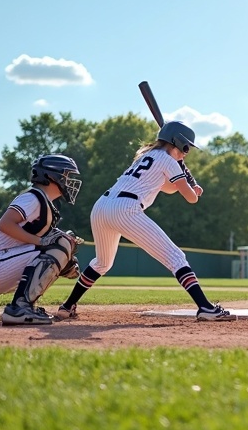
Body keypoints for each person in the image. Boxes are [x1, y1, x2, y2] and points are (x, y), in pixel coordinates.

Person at [57, 122, 235, 321]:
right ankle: (205, 307)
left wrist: (185, 182)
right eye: (186, 148)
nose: (186, 154)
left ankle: (67, 305)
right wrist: (192, 189)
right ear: (178, 143)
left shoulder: (146, 156)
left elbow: (167, 187)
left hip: (101, 207)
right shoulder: (169, 161)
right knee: (176, 257)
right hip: (125, 208)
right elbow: (191, 199)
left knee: (102, 263)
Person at [0, 155, 84, 325]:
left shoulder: (43, 202)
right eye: (65, 175)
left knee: (58, 245)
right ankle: (21, 308)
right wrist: (45, 243)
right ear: (51, 176)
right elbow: (5, 224)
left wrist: (65, 260)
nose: (68, 181)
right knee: (58, 243)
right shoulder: (33, 198)